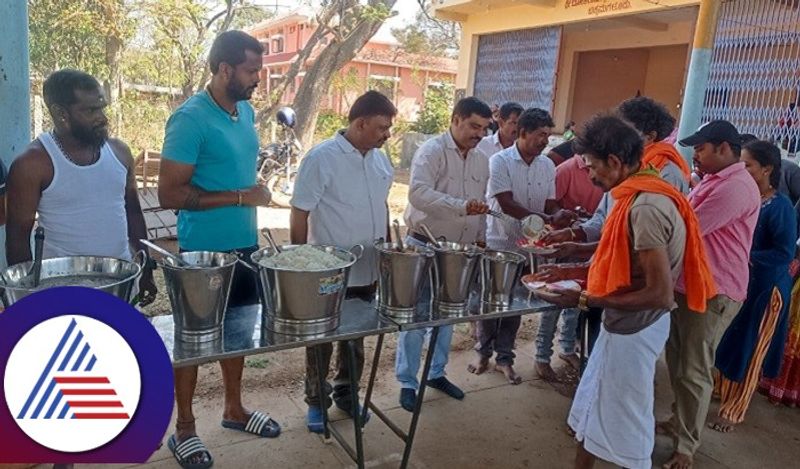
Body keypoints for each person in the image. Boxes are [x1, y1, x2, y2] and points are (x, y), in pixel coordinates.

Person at [535, 114, 715, 469]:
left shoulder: (647, 206)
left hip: (637, 327)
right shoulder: (636, 193)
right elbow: (620, 256)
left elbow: (660, 294)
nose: (588, 175)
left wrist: (584, 298)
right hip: (623, 323)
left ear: (615, 162)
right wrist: (572, 263)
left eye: (590, 168)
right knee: (592, 407)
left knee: (628, 422)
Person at [158, 31, 280, 469]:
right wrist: (242, 197)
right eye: (251, 72)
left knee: (238, 332)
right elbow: (169, 193)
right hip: (202, 253)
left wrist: (250, 195)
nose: (256, 81)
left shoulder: (244, 112)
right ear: (225, 69)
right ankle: (185, 428)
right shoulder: (190, 119)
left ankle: (233, 409)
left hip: (244, 245)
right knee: (192, 341)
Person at [289, 91, 396, 432]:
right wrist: (299, 263)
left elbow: (383, 207)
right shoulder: (322, 158)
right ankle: (316, 402)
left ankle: (347, 395)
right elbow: (300, 210)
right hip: (327, 270)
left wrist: (388, 257)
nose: (387, 134)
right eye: (382, 127)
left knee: (356, 337)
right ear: (360, 123)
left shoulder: (381, 161)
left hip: (368, 269)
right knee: (321, 339)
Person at [5, 69, 156, 300]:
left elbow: (133, 213)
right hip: (61, 290)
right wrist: (29, 298)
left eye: (102, 107)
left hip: (121, 285)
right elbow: (17, 239)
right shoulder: (33, 164)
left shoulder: (120, 152)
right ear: (60, 114)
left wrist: (146, 268)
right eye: (91, 110)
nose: (102, 118)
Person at [661, 120, 760, 469]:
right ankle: (678, 421)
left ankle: (686, 446)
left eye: (701, 149)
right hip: (689, 286)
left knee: (694, 368)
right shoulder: (713, 181)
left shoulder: (734, 188)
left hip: (713, 291)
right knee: (677, 360)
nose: (696, 155)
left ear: (722, 148)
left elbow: (685, 229)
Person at [397, 96, 492, 412]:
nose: (479, 134)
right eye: (474, 126)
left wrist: (480, 239)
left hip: (460, 252)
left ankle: (435, 373)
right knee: (417, 315)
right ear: (455, 119)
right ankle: (408, 382)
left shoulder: (481, 160)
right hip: (424, 246)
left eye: (484, 128)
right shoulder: (431, 151)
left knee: (448, 314)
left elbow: (479, 204)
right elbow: (418, 194)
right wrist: (459, 206)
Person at [710, 140, 797, 432]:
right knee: (731, 340)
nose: (742, 169)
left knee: (752, 348)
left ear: (767, 169)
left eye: (748, 165)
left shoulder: (781, 206)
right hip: (743, 284)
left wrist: (744, 256)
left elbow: (784, 253)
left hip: (767, 289)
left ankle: (733, 411)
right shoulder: (748, 197)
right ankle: (721, 390)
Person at [470, 108, 558, 384]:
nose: (545, 141)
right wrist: (544, 219)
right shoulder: (499, 161)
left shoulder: (547, 165)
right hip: (500, 242)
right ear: (522, 133)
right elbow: (506, 203)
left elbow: (550, 203)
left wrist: (558, 216)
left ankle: (504, 359)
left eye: (548, 135)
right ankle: (482, 353)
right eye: (540, 135)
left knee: (516, 304)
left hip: (529, 249)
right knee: (493, 301)